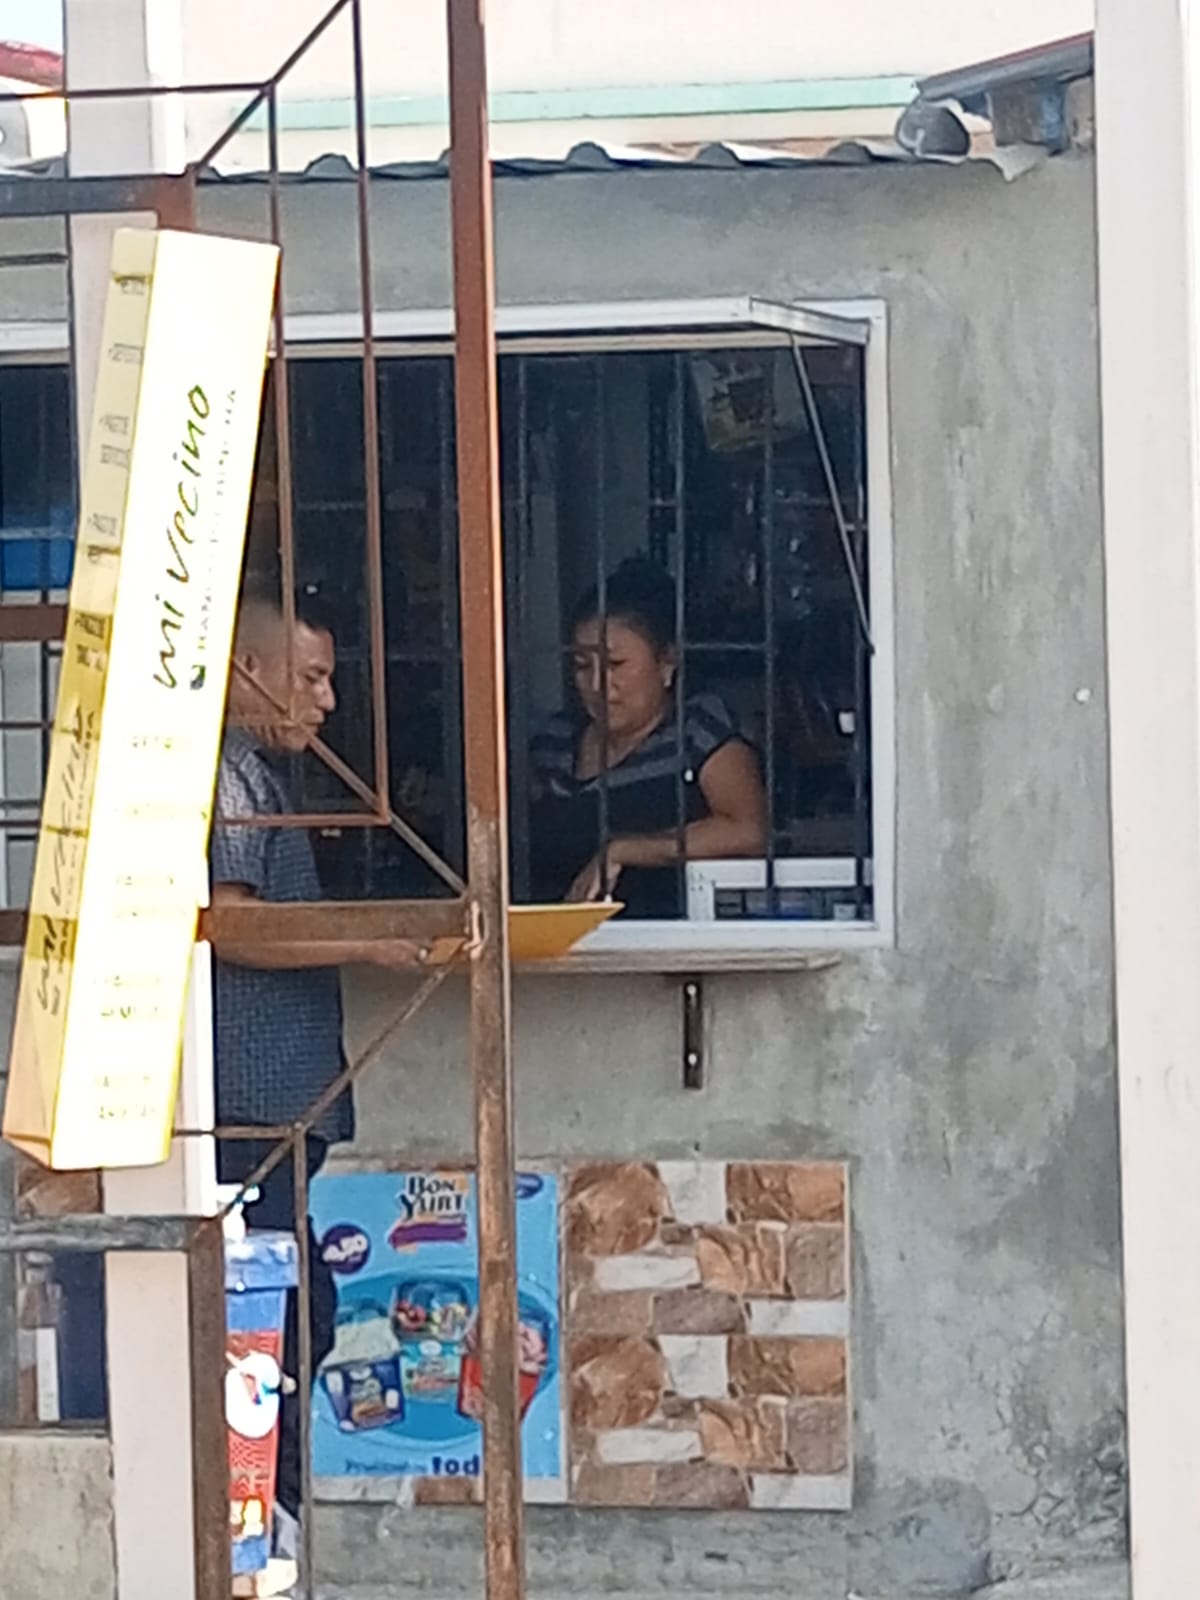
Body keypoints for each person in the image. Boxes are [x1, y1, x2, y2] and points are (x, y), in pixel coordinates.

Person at [208, 593, 415, 1549]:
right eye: (311, 678)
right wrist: (365, 938)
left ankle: (268, 1517)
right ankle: (260, 1525)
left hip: (280, 1106)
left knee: (297, 1315)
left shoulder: (262, 773)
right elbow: (231, 921)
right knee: (272, 1326)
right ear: (247, 671)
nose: (327, 701)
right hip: (244, 1106)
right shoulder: (231, 775)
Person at [529, 557, 766, 918]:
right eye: (581, 666)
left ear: (667, 663)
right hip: (560, 943)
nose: (597, 685)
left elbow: (749, 831)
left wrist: (622, 851)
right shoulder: (554, 742)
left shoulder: (697, 729)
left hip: (669, 937)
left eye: (616, 665)